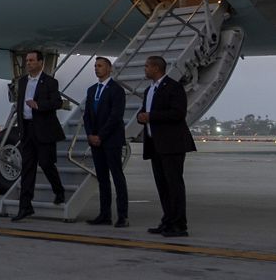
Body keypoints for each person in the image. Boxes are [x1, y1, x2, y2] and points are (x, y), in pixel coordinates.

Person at [136, 55, 196, 238]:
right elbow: (145, 111)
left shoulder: (173, 87)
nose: (145, 69)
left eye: (147, 66)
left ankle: (179, 224)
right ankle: (168, 220)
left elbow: (178, 113)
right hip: (155, 145)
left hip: (172, 145)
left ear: (156, 68)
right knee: (162, 185)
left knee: (174, 185)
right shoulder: (149, 90)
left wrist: (151, 116)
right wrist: (141, 116)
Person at [11, 50, 66, 221]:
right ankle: (25, 206)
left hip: (44, 129)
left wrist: (38, 105)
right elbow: (19, 106)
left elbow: (57, 102)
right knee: (27, 168)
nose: (28, 63)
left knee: (46, 163)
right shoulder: (22, 82)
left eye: (32, 60)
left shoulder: (50, 82)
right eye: (27, 60)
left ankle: (59, 191)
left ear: (40, 62)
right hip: (27, 129)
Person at [82, 57, 129, 227]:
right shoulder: (91, 90)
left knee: (117, 177)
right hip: (95, 141)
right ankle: (105, 214)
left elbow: (115, 117)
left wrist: (100, 135)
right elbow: (86, 115)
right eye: (95, 66)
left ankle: (123, 215)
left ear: (109, 69)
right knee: (102, 179)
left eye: (100, 66)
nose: (97, 69)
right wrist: (90, 135)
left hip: (111, 140)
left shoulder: (116, 90)